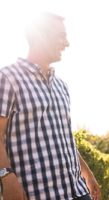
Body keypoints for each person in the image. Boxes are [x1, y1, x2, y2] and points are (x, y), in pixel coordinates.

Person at [0, 12, 101, 200]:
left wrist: (86, 172)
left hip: (77, 192)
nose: (67, 43)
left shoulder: (61, 86)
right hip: (39, 195)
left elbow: (63, 138)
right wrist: (6, 177)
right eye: (61, 36)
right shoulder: (7, 78)